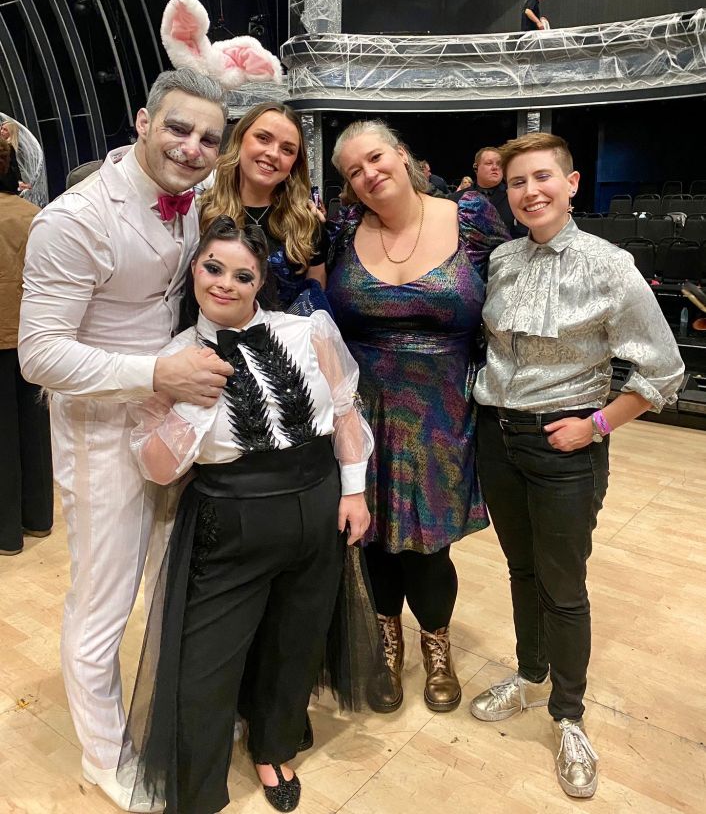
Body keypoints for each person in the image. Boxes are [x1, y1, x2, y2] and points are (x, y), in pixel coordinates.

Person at [18, 68, 233, 813]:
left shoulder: (195, 199)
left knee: (163, 582)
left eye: (209, 137)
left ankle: (154, 715)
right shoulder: (75, 219)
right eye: (179, 127)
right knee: (102, 601)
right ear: (143, 121)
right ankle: (104, 758)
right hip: (99, 428)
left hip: (167, 419)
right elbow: (39, 355)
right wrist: (156, 372)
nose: (193, 146)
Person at [121, 218, 373, 814]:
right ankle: (198, 784)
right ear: (194, 270)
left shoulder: (307, 331)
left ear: (260, 281)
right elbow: (155, 467)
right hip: (228, 517)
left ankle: (273, 744)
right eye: (213, 268)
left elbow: (344, 415)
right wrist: (191, 408)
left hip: (317, 504)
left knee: (296, 641)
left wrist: (354, 491)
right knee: (206, 658)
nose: (226, 284)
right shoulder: (172, 358)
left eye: (243, 274)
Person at [470, 132, 684, 799]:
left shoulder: (608, 265)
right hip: (496, 437)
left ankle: (567, 715)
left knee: (563, 586)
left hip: (564, 446)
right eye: (515, 182)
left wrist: (594, 426)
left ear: (571, 183)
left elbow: (664, 370)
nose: (529, 191)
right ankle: (530, 676)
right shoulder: (502, 259)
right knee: (521, 567)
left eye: (541, 178)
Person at [326, 119, 508, 713]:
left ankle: (436, 647)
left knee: (430, 546)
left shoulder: (471, 219)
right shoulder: (342, 230)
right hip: (365, 410)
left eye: (375, 158)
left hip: (443, 411)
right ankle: (385, 646)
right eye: (353, 171)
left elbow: (509, 300)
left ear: (403, 156)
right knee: (372, 539)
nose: (368, 173)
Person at [200, 102, 327, 309]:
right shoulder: (201, 212)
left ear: (295, 162)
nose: (273, 153)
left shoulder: (308, 223)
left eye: (287, 149)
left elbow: (316, 301)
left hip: (286, 339)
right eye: (263, 138)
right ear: (240, 138)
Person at [0, 138, 53, 556]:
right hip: (32, 340)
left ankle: (5, 533)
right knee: (34, 432)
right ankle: (38, 518)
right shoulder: (37, 217)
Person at [452, 147, 526, 238]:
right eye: (489, 163)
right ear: (476, 167)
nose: (495, 167)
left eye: (499, 164)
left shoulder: (515, 195)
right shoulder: (456, 199)